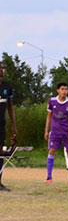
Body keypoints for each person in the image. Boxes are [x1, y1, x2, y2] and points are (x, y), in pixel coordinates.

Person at [44, 82, 68, 183]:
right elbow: (49, 116)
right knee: (51, 150)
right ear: (58, 90)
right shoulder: (52, 101)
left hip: (67, 132)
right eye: (62, 89)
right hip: (55, 131)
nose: (64, 91)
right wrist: (46, 131)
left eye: (66, 89)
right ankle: (49, 176)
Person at [0, 62, 17, 191]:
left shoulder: (7, 87)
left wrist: (13, 125)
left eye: (2, 68)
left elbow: (10, 107)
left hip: (1, 124)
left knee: (0, 153)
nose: (1, 70)